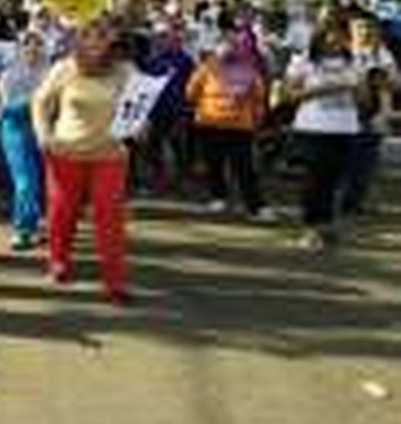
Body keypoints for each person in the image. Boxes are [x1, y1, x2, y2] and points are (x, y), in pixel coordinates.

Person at [31, 17, 134, 305]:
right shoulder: (64, 68)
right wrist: (44, 135)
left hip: (110, 154)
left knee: (110, 217)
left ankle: (115, 282)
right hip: (66, 153)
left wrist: (139, 126)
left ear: (109, 40)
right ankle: (58, 260)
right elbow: (40, 102)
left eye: (100, 36)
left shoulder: (124, 70)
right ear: (78, 39)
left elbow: (138, 105)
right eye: (87, 36)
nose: (94, 42)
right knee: (62, 212)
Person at [284, 20, 363, 251]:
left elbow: (364, 100)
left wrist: (358, 90)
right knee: (313, 180)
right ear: (319, 37)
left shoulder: (353, 61)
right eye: (330, 35)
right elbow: (288, 96)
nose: (335, 40)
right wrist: (323, 89)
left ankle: (326, 224)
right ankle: (310, 228)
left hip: (345, 128)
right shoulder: (304, 60)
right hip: (313, 128)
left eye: (340, 35)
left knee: (334, 180)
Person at [186, 22, 269, 221]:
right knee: (214, 163)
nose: (230, 48)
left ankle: (255, 206)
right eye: (226, 44)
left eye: (235, 44)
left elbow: (258, 97)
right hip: (209, 123)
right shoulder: (206, 68)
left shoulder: (250, 70)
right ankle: (218, 197)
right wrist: (203, 108)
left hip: (241, 126)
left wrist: (258, 119)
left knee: (244, 167)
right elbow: (191, 93)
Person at [0, 30, 50, 251]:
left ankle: (33, 226)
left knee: (37, 182)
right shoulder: (8, 75)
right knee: (25, 181)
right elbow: (8, 107)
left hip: (42, 132)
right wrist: (36, 100)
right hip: (15, 130)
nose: (33, 49)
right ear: (19, 49)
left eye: (37, 45)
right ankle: (20, 230)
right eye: (27, 44)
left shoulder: (49, 72)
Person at [343, 14, 398, 219]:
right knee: (347, 160)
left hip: (373, 113)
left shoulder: (382, 54)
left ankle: (356, 202)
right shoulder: (343, 52)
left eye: (368, 27)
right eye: (359, 27)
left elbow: (396, 83)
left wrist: (383, 80)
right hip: (347, 112)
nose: (364, 31)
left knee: (367, 162)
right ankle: (342, 202)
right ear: (350, 30)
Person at [136, 21, 195, 195]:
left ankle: (182, 181)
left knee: (178, 147)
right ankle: (157, 181)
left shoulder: (185, 60)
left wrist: (187, 108)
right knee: (153, 148)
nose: (166, 41)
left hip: (177, 110)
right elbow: (144, 85)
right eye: (161, 38)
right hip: (156, 111)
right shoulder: (152, 60)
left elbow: (191, 85)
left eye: (170, 38)